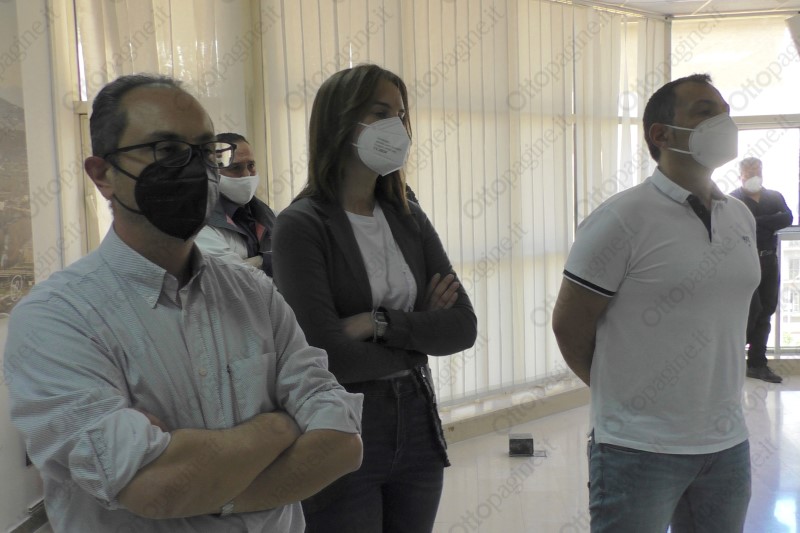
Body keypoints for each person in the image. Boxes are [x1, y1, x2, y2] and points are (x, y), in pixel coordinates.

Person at [3, 74, 363, 532]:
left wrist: (210, 489)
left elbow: (343, 443)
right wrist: (280, 426)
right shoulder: (56, 319)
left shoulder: (253, 293)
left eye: (206, 151)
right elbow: (154, 487)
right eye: (168, 150)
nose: (196, 169)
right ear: (103, 174)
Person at [271, 64, 477, 533]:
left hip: (418, 419)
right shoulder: (301, 225)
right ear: (340, 122)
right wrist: (420, 330)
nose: (396, 127)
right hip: (343, 419)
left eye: (401, 115)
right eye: (380, 113)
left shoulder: (408, 215)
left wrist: (377, 323)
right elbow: (327, 356)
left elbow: (463, 327)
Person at [552, 73, 759, 532]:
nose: (723, 122)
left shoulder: (739, 216)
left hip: (727, 445)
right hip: (637, 449)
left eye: (725, 112)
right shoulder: (620, 219)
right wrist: (624, 399)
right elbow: (569, 326)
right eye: (705, 112)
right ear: (661, 134)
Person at [730, 157, 792, 383]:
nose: (754, 175)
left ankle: (757, 364)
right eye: (749, 172)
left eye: (757, 171)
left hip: (769, 260)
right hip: (744, 262)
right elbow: (734, 227)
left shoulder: (774, 196)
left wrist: (755, 221)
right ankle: (734, 361)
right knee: (751, 310)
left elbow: (787, 218)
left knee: (766, 309)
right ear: (741, 175)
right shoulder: (733, 200)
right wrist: (770, 221)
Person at [195, 132, 277, 275]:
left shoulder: (268, 215)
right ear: (211, 172)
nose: (246, 174)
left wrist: (257, 262)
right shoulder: (200, 224)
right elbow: (230, 276)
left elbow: (296, 257)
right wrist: (268, 262)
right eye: (235, 168)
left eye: (251, 165)